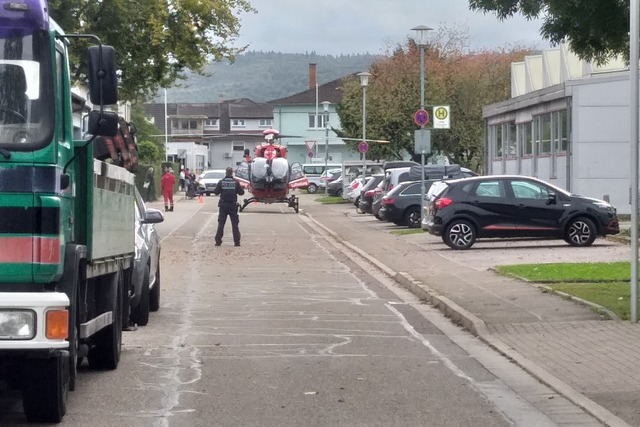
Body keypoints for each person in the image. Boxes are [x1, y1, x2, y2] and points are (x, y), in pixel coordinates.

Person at [213, 166, 244, 246]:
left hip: (223, 205)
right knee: (235, 224)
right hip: (233, 205)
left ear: (226, 173)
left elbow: (216, 192)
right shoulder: (236, 182)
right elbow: (241, 193)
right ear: (232, 173)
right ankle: (237, 242)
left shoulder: (221, 182)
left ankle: (218, 241)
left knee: (221, 223)